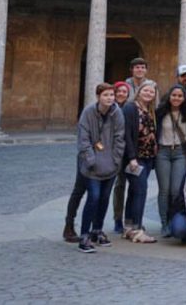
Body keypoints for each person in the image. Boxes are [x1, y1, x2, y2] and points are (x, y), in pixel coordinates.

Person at [75, 83, 125, 253]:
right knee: (93, 197)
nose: (109, 98)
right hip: (92, 165)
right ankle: (84, 234)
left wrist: (116, 160)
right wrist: (90, 160)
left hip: (110, 165)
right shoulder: (88, 112)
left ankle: (97, 230)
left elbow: (120, 137)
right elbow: (83, 138)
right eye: (106, 95)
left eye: (112, 95)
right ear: (98, 97)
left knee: (104, 198)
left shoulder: (117, 113)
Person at [120, 81, 158, 243]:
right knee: (141, 191)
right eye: (146, 90)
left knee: (135, 191)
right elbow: (126, 134)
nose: (149, 93)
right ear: (139, 91)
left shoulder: (150, 110)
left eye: (152, 91)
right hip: (136, 158)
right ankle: (137, 229)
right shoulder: (130, 108)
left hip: (147, 157)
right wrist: (131, 157)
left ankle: (128, 227)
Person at [155, 84, 186, 238]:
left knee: (176, 190)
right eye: (174, 95)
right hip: (163, 152)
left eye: (180, 96)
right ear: (169, 96)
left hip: (180, 152)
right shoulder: (160, 113)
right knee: (164, 190)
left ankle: (173, 220)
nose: (176, 98)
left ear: (184, 98)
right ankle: (164, 223)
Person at [111, 80, 131, 233]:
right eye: (119, 91)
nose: (121, 94)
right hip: (112, 153)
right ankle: (117, 219)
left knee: (134, 187)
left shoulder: (131, 109)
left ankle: (130, 220)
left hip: (128, 152)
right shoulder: (109, 109)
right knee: (119, 186)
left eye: (124, 92)